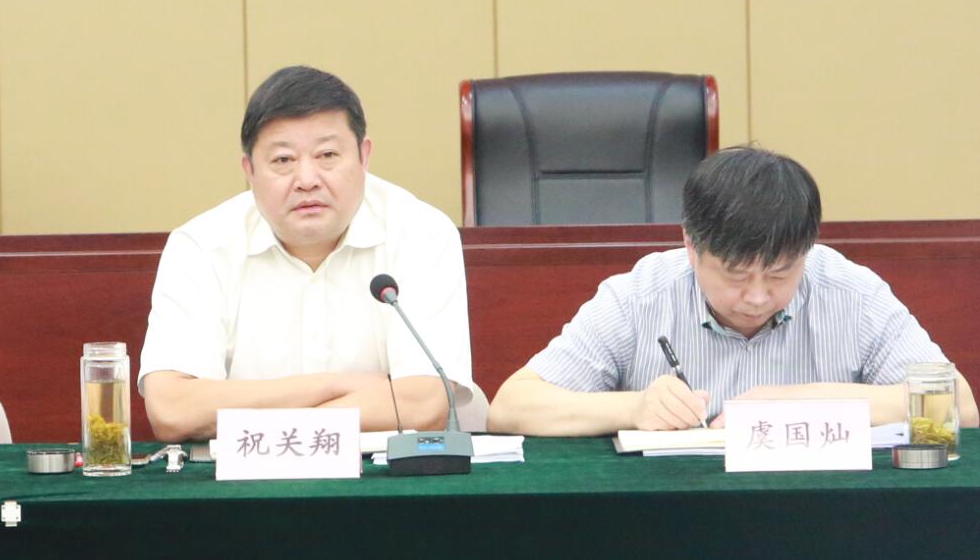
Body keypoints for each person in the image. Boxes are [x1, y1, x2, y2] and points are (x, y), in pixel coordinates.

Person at [487, 146, 979, 436]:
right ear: (690, 245)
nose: (758, 296)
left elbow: (960, 406)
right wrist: (632, 408)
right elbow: (510, 408)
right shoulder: (639, 296)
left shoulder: (852, 292)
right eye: (737, 275)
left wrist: (809, 402)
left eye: (781, 274)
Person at [139, 66, 473, 442]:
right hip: (250, 477)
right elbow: (172, 410)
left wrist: (264, 424)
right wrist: (339, 386)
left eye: (327, 155)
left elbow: (425, 404)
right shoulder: (202, 246)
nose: (307, 180)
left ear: (364, 156)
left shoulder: (421, 233)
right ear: (249, 170)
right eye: (283, 160)